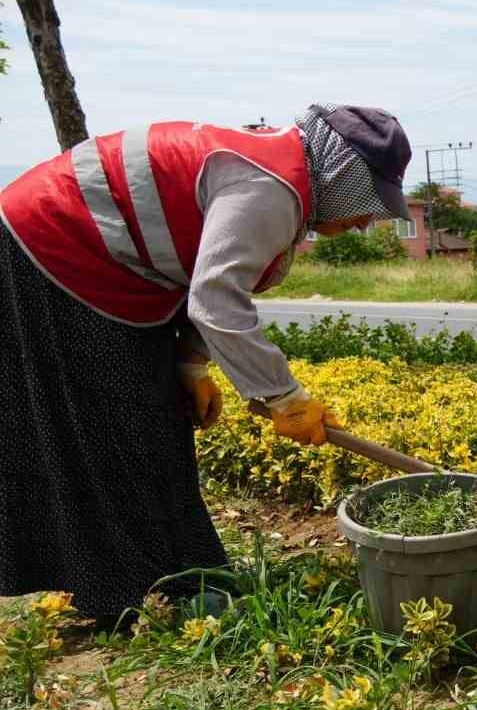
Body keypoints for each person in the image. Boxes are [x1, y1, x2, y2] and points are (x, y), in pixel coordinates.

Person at [0, 103, 413, 619]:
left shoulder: (280, 179)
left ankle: (184, 573)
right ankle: (141, 595)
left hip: (100, 261)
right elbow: (216, 298)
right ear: (343, 173)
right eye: (369, 201)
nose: (365, 222)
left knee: (155, 418)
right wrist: (285, 397)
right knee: (115, 424)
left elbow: (203, 270)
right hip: (57, 244)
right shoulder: (272, 187)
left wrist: (191, 366)